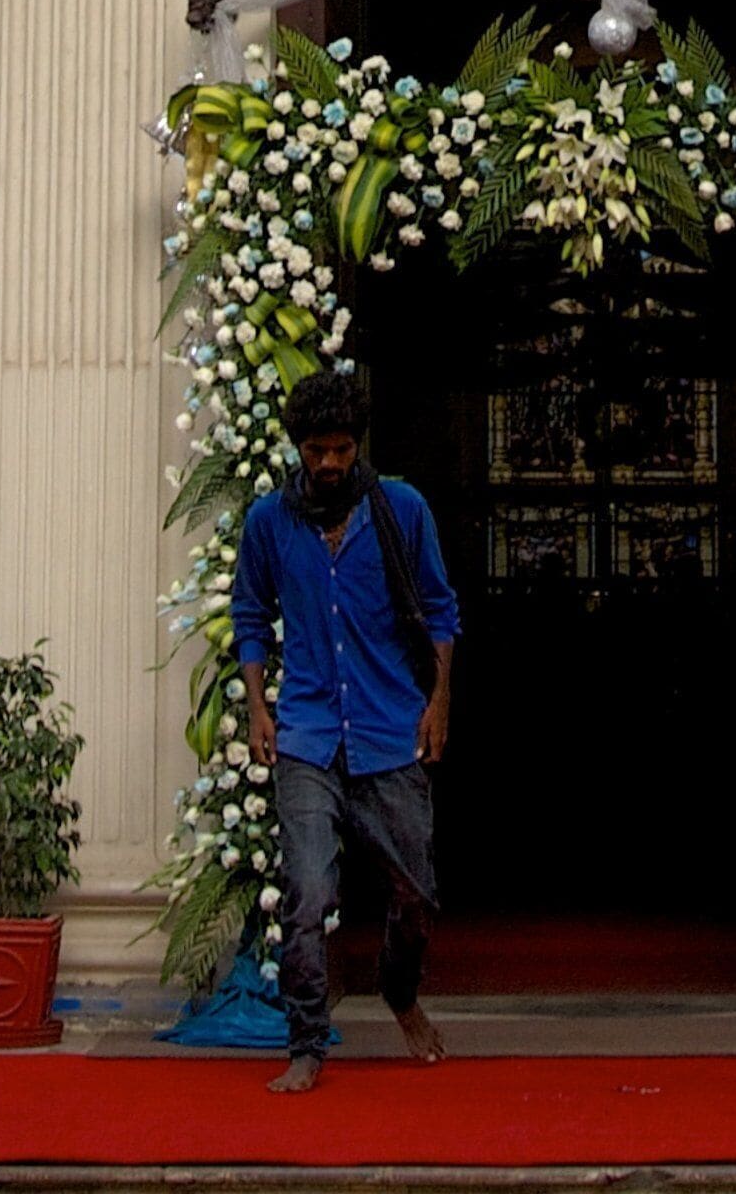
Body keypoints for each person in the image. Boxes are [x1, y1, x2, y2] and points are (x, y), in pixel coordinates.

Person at [232, 369, 462, 1092]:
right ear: (298, 449)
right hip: (305, 733)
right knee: (304, 893)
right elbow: (249, 618)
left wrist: (440, 703)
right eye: (314, 451)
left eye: (338, 449)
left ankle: (399, 993)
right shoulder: (269, 522)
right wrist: (257, 706)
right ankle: (305, 1043)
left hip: (391, 728)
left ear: (355, 444)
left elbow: (441, 609)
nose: (327, 463)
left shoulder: (400, 510)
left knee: (414, 893)